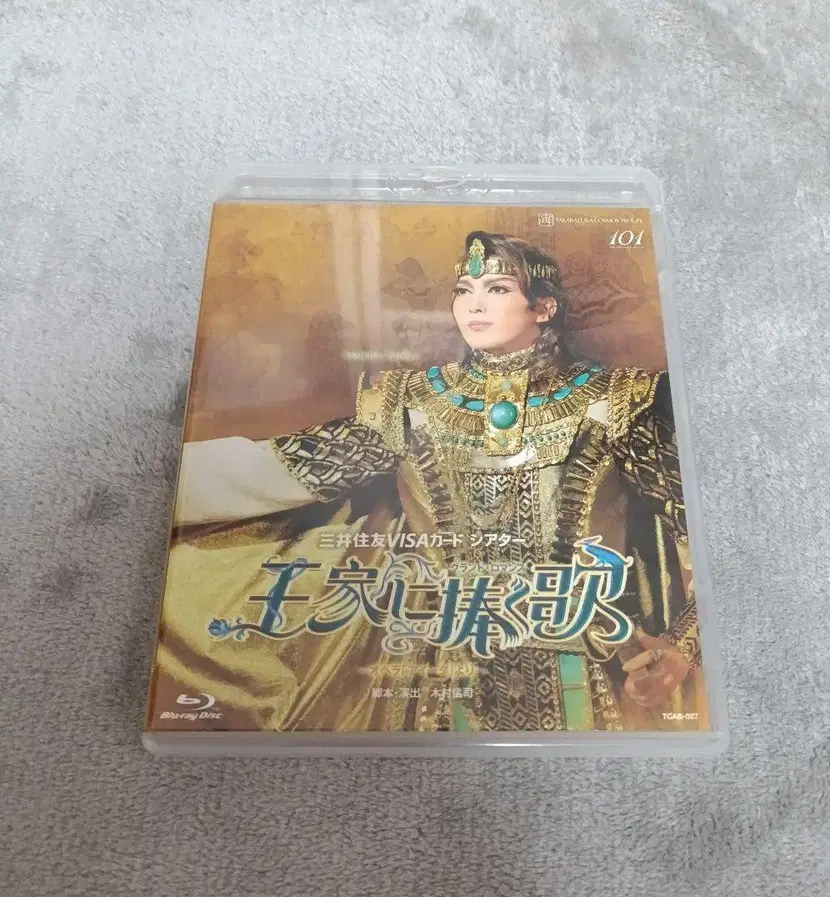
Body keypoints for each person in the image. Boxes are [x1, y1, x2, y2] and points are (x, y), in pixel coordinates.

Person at [167, 231, 703, 733]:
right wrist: (166, 481)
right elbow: (282, 470)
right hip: (442, 671)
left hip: (591, 666)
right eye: (464, 290)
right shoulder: (410, 403)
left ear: (544, 308)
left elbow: (702, 532)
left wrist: (683, 645)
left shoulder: (614, 401)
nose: (474, 305)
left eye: (497, 289)